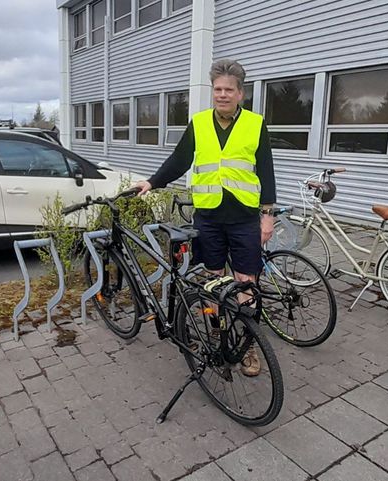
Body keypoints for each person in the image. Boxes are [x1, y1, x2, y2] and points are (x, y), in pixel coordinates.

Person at [134, 59, 276, 377]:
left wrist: (267, 217)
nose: (222, 95)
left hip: (243, 219)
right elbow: (179, 160)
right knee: (212, 283)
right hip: (209, 218)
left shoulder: (255, 124)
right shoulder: (198, 124)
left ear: (240, 94)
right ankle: (216, 331)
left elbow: (266, 171)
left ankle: (247, 347)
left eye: (228, 90)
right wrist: (152, 181)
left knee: (246, 285)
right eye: (217, 89)